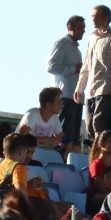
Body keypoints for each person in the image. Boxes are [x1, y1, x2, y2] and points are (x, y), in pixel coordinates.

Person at [74, 5, 111, 141]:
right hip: (91, 89)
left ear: (106, 18)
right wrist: (79, 88)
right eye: (92, 16)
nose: (93, 19)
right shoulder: (92, 38)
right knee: (89, 126)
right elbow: (86, 65)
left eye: (97, 16)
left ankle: (99, 155)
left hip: (106, 89)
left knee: (99, 125)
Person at [46, 16, 84, 149]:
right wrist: (75, 68)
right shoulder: (61, 43)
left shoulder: (77, 50)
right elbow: (51, 67)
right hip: (65, 94)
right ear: (70, 27)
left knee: (74, 135)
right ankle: (61, 159)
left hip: (77, 96)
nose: (83, 31)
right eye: (80, 27)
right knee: (65, 133)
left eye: (83, 28)